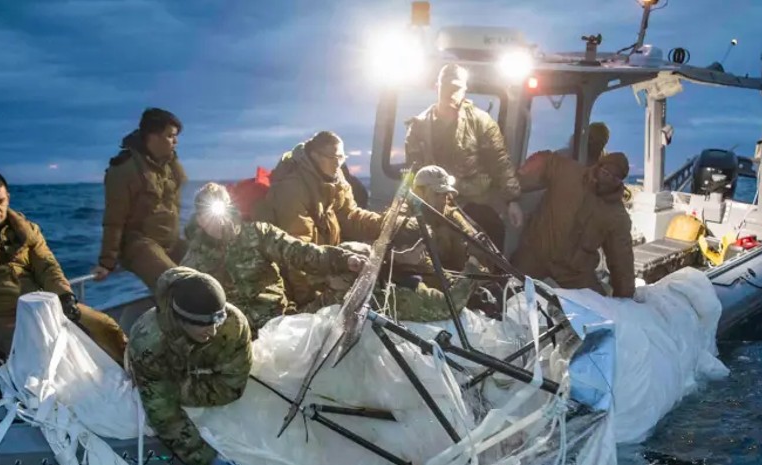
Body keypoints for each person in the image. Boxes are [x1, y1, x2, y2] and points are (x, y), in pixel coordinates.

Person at [0, 169, 128, 368]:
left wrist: (65, 296)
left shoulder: (27, 230)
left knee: (105, 326)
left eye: (0, 201)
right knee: (36, 352)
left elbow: (47, 266)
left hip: (41, 304)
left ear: (8, 197)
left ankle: (136, 377)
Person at [182, 183, 365, 333]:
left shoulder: (259, 233)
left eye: (219, 212)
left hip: (280, 323)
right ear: (198, 220)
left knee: (348, 282)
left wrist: (343, 260)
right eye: (206, 214)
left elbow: (300, 252)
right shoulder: (194, 259)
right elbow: (183, 298)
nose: (217, 221)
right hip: (235, 339)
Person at [126, 267, 253, 465]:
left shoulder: (234, 324)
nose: (212, 331)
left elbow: (232, 386)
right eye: (202, 324)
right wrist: (208, 458)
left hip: (185, 377)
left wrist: (185, 385)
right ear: (181, 319)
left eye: (217, 321)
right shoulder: (148, 343)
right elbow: (164, 413)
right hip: (159, 373)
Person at [404, 64, 523, 249]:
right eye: (446, 87)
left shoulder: (481, 123)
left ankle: (491, 277)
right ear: (437, 87)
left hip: (474, 202)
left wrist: (512, 201)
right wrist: (410, 202)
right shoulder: (419, 127)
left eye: (457, 88)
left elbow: (500, 162)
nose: (451, 92)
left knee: (490, 235)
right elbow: (412, 171)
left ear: (465, 90)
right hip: (434, 205)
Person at [510, 151, 636, 297]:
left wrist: (625, 296)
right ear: (599, 166)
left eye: (615, 178)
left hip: (573, 272)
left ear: (620, 182)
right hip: (536, 252)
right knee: (507, 288)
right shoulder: (568, 172)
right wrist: (512, 186)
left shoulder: (617, 215)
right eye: (606, 172)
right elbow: (544, 161)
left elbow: (622, 259)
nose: (608, 179)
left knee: (596, 310)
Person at [92, 108, 188, 289]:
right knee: (177, 284)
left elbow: (180, 188)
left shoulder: (169, 165)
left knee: (211, 270)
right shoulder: (124, 169)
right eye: (170, 136)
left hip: (170, 242)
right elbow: (114, 219)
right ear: (153, 137)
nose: (175, 142)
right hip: (139, 245)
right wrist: (107, 262)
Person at [255, 131, 384, 247]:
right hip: (305, 266)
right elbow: (298, 248)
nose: (337, 164)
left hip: (323, 260)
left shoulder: (336, 180)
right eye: (332, 158)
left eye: (341, 158)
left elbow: (349, 216)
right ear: (315, 156)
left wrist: (384, 224)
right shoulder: (292, 189)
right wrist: (336, 263)